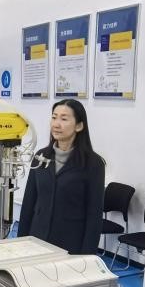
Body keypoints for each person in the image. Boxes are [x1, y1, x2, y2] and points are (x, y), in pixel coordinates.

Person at [17, 99, 106, 255]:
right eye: (54, 117)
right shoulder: (41, 156)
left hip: (70, 244)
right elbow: (28, 203)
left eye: (64, 119)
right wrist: (20, 242)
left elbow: (94, 215)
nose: (56, 124)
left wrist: (86, 257)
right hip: (36, 240)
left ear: (79, 126)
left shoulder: (93, 163)